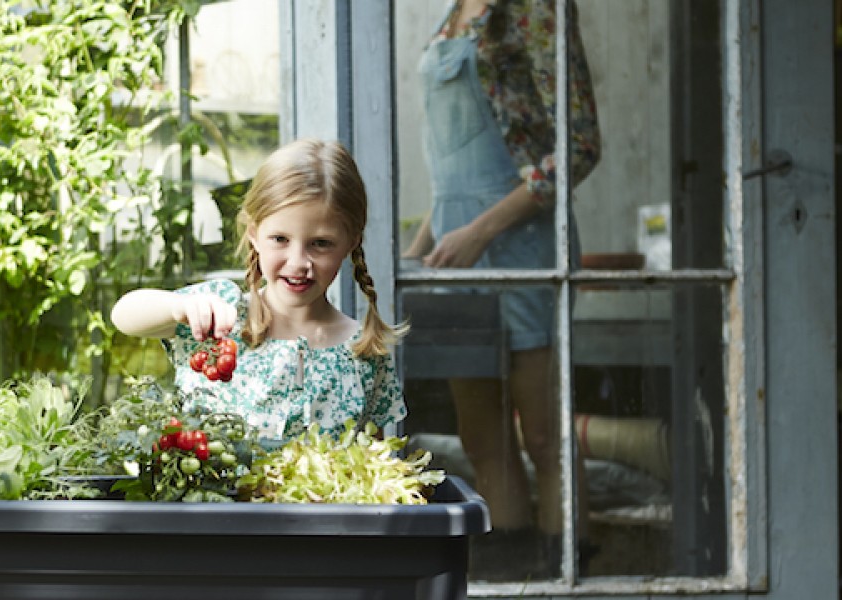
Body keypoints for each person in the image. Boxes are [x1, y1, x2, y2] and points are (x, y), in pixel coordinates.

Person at [402, 0, 602, 580]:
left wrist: (480, 230)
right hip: (454, 251)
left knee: (541, 429)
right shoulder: (451, 15)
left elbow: (579, 149)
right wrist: (420, 251)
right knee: (481, 429)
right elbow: (451, 174)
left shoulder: (536, 11)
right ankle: (509, 566)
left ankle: (568, 570)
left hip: (521, 246)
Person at [111, 138, 407, 447]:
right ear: (254, 234)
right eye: (280, 239)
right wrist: (179, 306)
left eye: (320, 243)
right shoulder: (220, 317)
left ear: (350, 243)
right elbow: (124, 315)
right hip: (213, 497)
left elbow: (378, 464)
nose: (298, 263)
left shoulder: (363, 350)